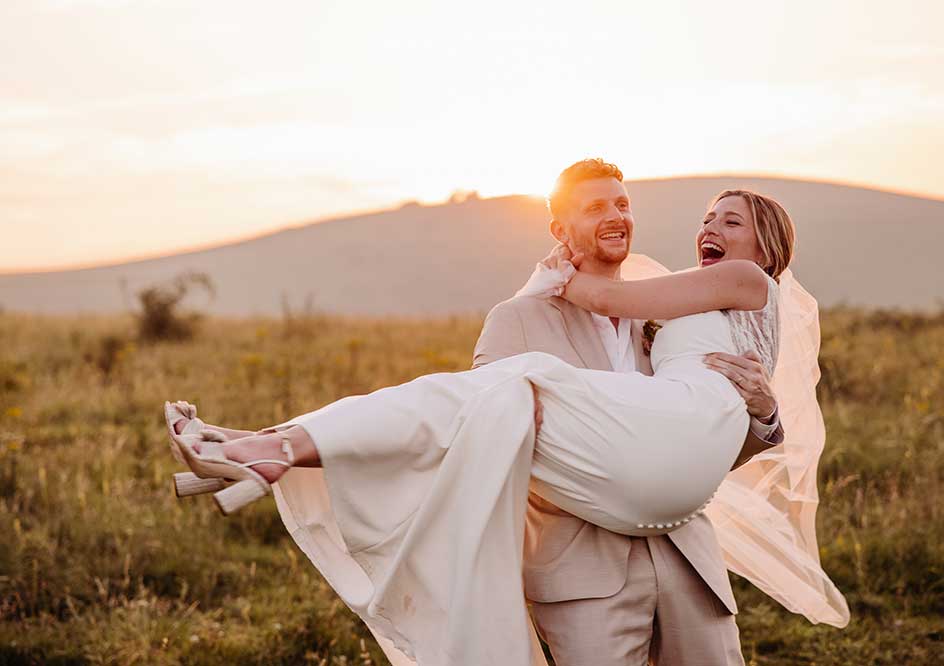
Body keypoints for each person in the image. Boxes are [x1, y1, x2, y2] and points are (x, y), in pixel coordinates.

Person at [164, 159, 848, 666]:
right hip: (585, 576)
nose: (616, 216)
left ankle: (276, 445)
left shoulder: (665, 315)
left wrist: (763, 416)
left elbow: (702, 430)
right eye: (595, 208)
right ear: (559, 229)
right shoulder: (518, 319)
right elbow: (473, 435)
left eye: (623, 202)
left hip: (687, 562)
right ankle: (278, 448)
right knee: (490, 394)